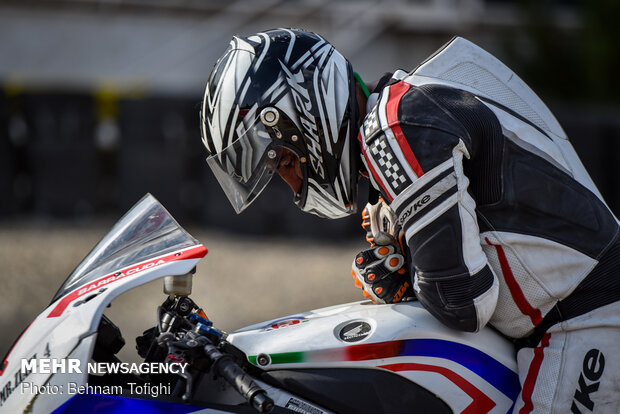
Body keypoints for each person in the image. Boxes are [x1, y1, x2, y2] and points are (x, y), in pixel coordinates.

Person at [199, 29, 620, 413]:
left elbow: (462, 302)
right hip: (554, 324)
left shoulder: (396, 126)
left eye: (287, 160)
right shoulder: (406, 108)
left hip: (585, 321)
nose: (292, 181)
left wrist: (413, 279)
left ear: (305, 113)